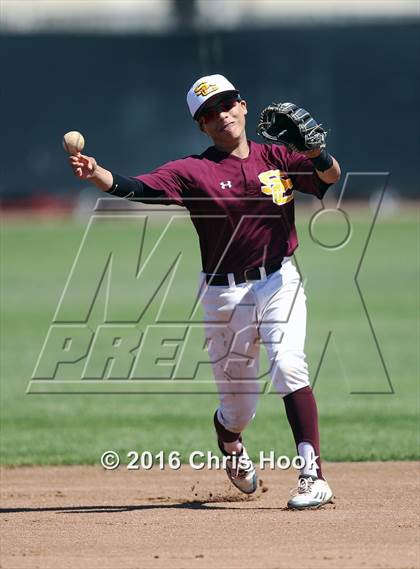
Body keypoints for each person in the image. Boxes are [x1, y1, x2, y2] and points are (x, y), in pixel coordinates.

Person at [68, 74, 341, 509]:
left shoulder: (278, 155)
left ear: (244, 105)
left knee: (290, 366)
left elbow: (328, 179)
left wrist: (315, 151)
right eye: (209, 113)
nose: (221, 115)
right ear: (202, 126)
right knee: (238, 411)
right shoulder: (193, 171)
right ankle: (228, 438)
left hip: (278, 281)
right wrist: (97, 173)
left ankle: (312, 473)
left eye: (227, 103)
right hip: (223, 296)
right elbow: (138, 188)